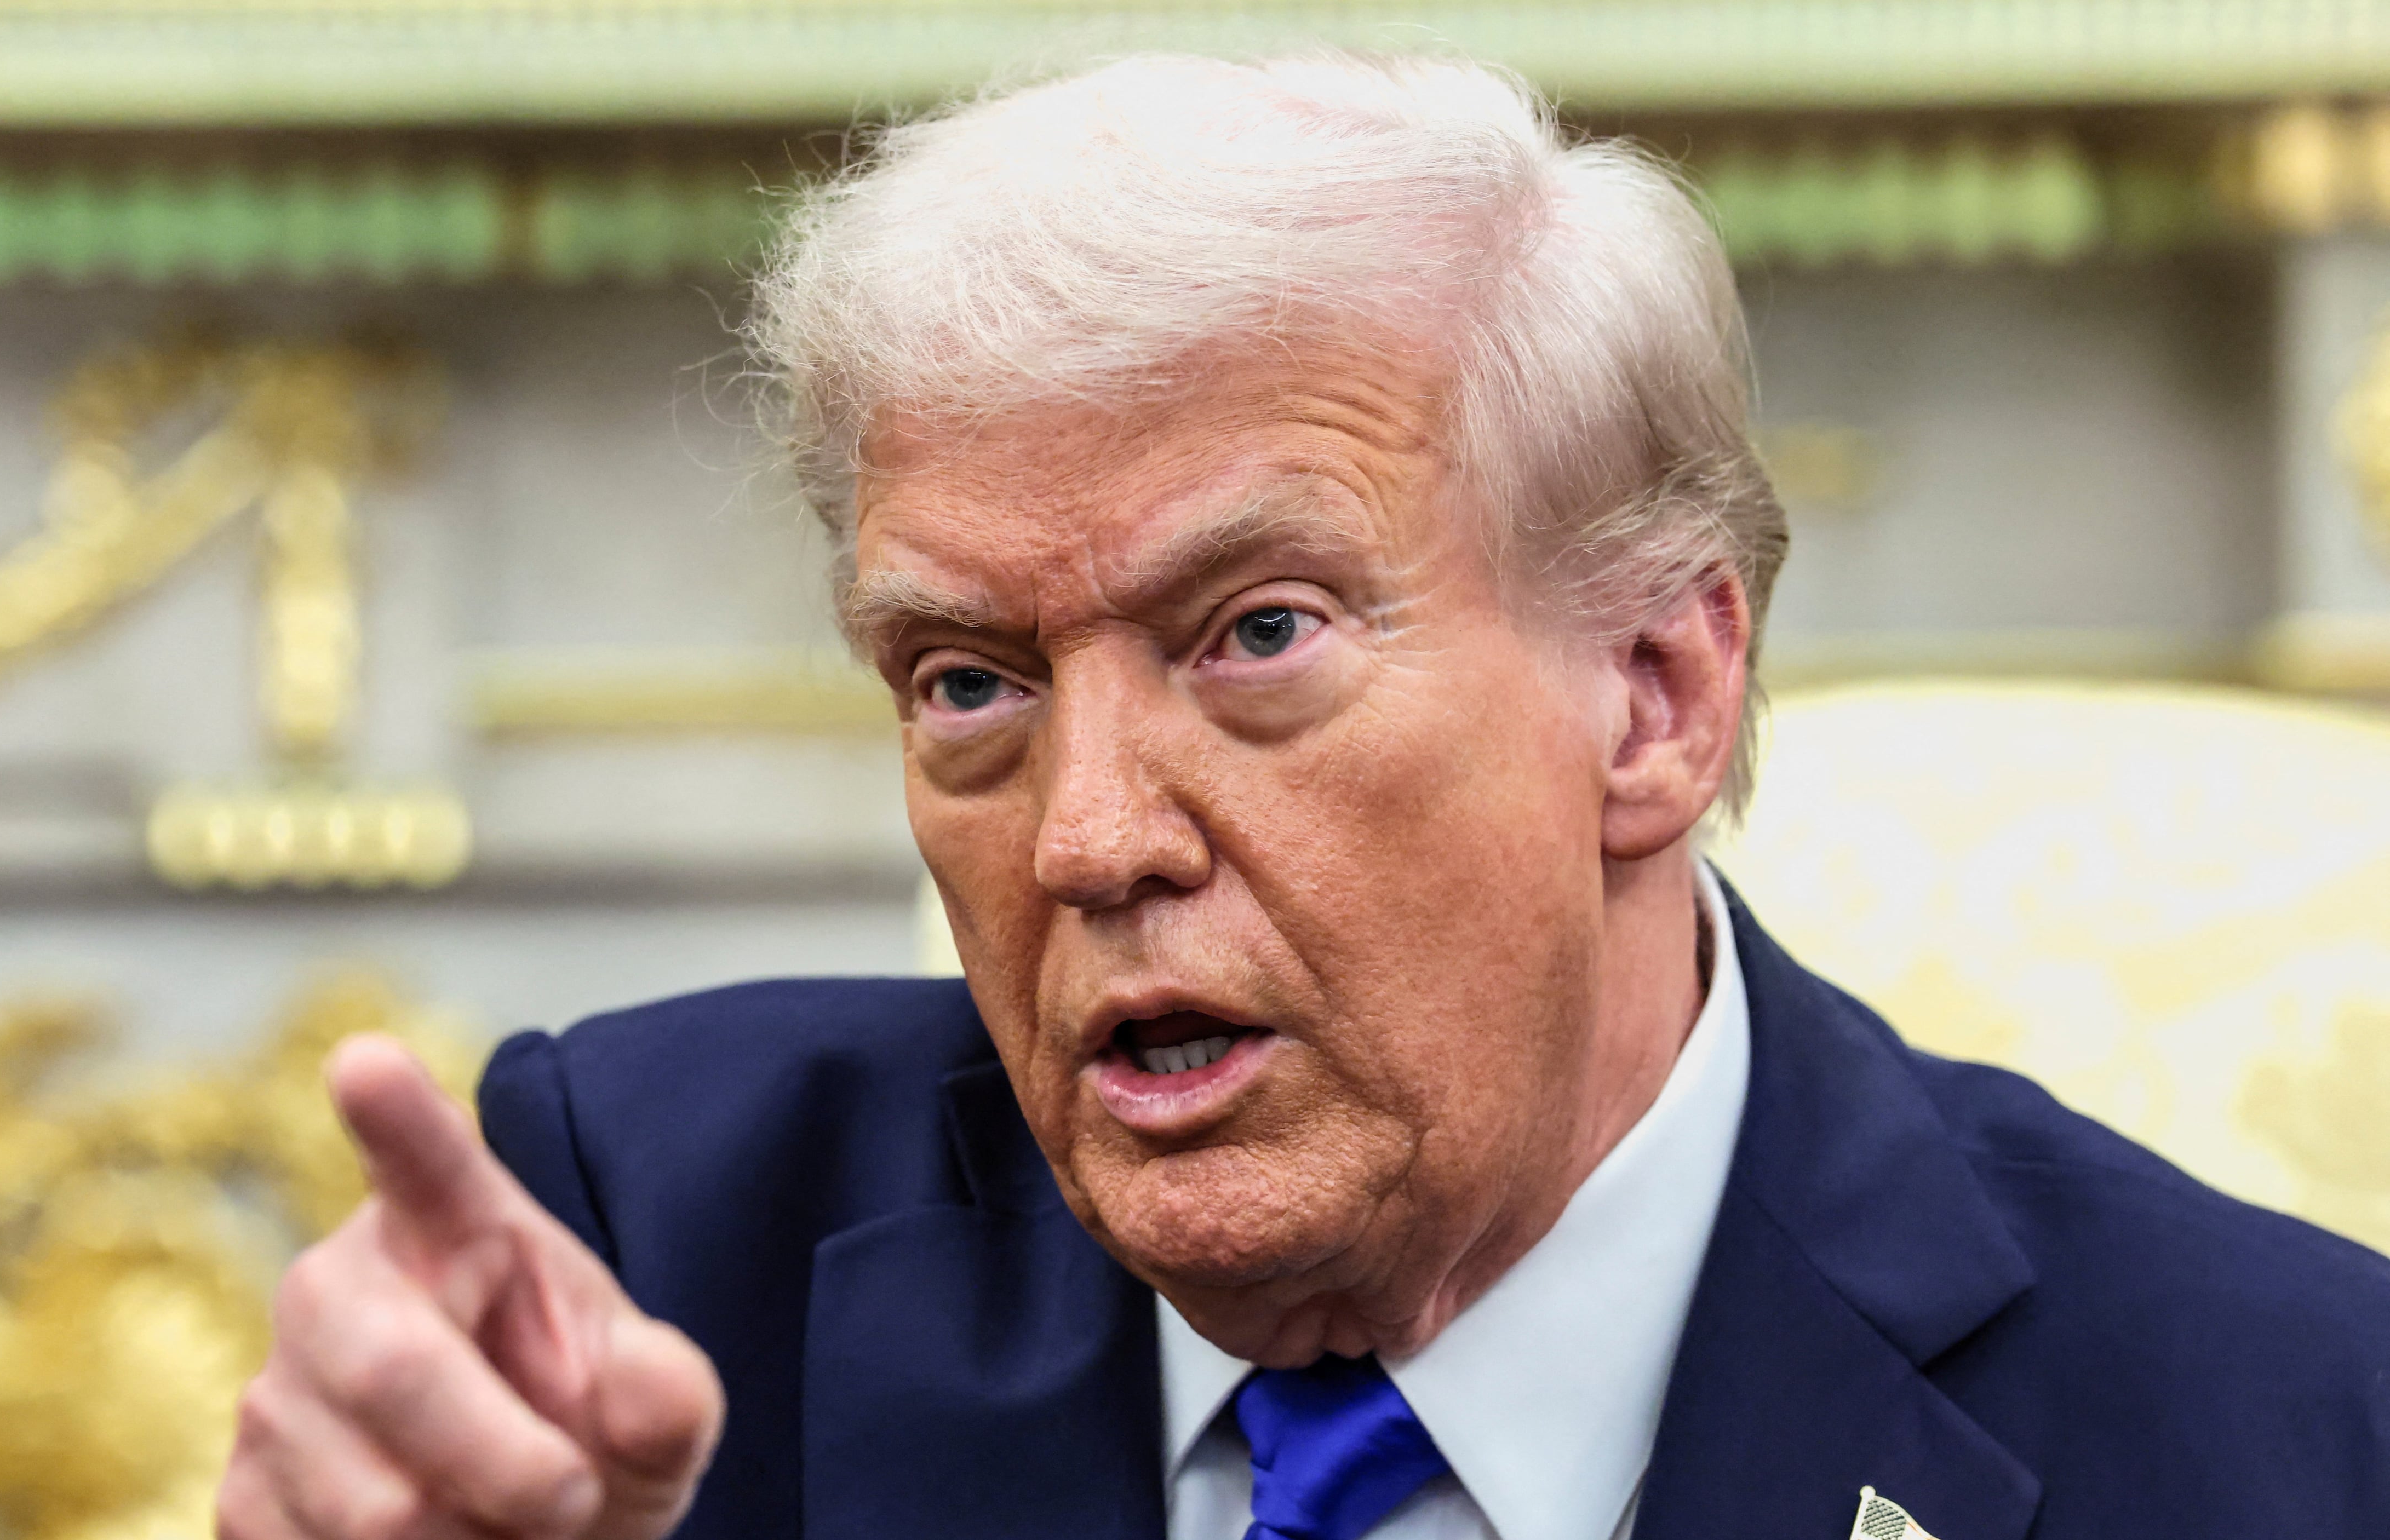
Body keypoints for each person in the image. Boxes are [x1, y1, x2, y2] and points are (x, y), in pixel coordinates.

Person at [217, 53, 2390, 1540]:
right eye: (966, 679)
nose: (1087, 837)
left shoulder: (2279, 1438)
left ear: (1651, 691)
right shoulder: (649, 1262)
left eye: (1250, 635)